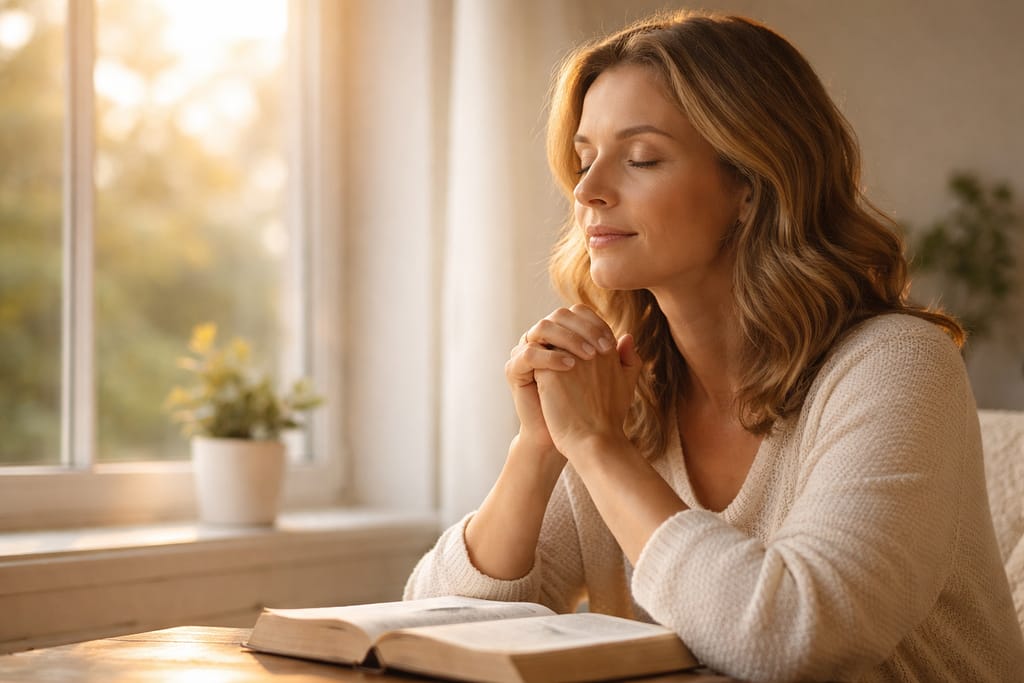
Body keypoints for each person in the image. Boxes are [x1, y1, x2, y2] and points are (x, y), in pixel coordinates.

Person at [404, 10, 1024, 681]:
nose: (586, 191)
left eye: (640, 158)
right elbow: (429, 626)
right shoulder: (618, 387)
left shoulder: (897, 366)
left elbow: (795, 637)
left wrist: (599, 448)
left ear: (751, 187)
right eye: (584, 159)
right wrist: (539, 448)